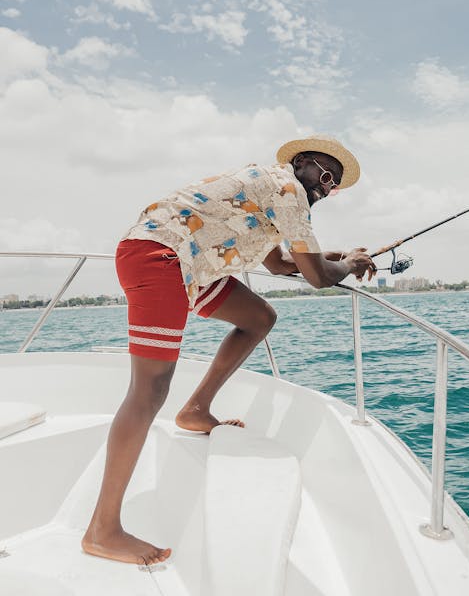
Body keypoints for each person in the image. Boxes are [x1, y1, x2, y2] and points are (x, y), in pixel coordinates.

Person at [81, 135, 375, 565]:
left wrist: (326, 255)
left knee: (259, 317)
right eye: (325, 176)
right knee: (149, 390)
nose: (326, 189)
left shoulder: (275, 190)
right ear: (303, 162)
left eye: (332, 187)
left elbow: (279, 264)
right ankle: (102, 530)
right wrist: (348, 264)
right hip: (161, 258)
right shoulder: (290, 190)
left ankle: (196, 409)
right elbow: (316, 276)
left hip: (188, 265)